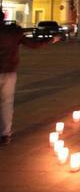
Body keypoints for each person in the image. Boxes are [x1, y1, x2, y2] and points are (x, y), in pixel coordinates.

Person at [0, 12, 60, 145]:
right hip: (9, 72)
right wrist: (51, 40)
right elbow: (33, 44)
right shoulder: (13, 31)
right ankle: (4, 134)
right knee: (6, 103)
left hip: (8, 71)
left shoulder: (13, 30)